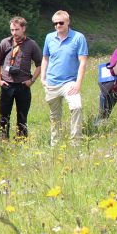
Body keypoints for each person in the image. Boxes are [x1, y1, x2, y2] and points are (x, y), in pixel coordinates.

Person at [40, 10, 88, 146]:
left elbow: (83, 61)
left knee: (76, 107)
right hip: (52, 83)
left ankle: (76, 143)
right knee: (55, 116)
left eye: (61, 23)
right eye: (55, 23)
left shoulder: (78, 37)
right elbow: (45, 58)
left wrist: (78, 83)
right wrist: (43, 78)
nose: (58, 26)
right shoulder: (49, 37)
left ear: (68, 22)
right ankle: (55, 144)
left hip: (70, 82)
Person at [0, 16, 42, 140]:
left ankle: (21, 142)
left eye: (16, 29)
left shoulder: (31, 44)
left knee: (22, 116)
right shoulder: (5, 42)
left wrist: (32, 81)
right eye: (12, 30)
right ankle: (3, 141)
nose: (14, 33)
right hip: (6, 85)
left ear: (23, 28)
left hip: (23, 86)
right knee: (4, 116)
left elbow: (40, 64)